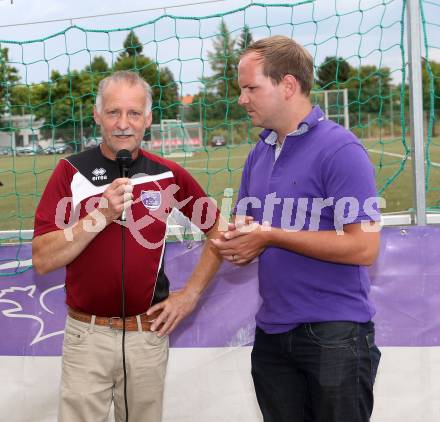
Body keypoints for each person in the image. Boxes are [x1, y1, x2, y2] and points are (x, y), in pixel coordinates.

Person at [32, 70, 222, 422]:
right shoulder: (69, 171)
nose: (123, 124)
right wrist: (101, 214)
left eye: (134, 113)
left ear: (148, 119)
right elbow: (43, 259)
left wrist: (190, 294)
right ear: (97, 115)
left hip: (146, 337)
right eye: (113, 112)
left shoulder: (168, 174)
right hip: (86, 337)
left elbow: (220, 233)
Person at [212, 35, 382, 422]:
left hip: (335, 334)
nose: (242, 99)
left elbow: (365, 248)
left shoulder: (341, 149)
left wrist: (271, 235)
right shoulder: (259, 152)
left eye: (251, 87)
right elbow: (251, 228)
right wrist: (241, 237)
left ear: (287, 85)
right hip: (272, 335)